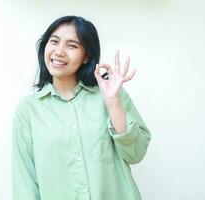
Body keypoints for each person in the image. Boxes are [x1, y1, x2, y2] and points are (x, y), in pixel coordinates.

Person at [12, 15, 151, 200]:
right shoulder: (28, 110)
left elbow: (136, 154)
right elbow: (25, 184)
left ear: (86, 57)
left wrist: (113, 102)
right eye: (54, 42)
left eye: (72, 45)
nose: (59, 51)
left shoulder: (110, 93)